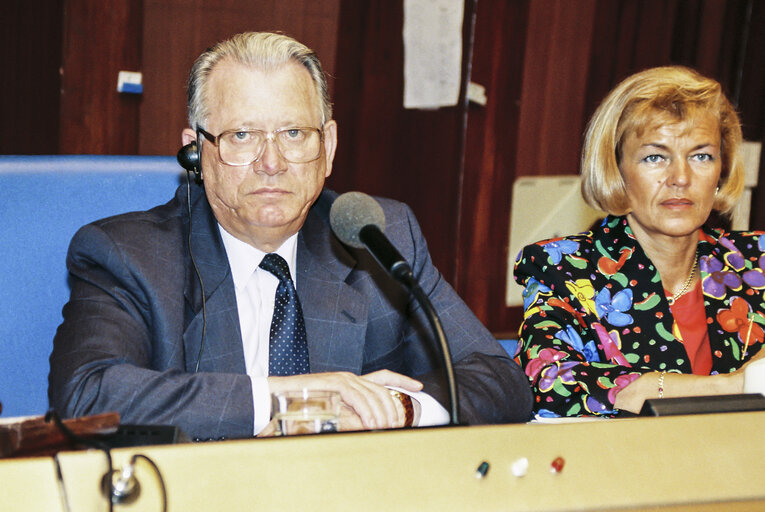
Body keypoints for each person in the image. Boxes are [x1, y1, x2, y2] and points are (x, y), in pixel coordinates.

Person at [49, 31, 532, 439]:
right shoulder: (130, 254)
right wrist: (301, 400)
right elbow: (86, 396)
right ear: (196, 153)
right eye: (242, 135)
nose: (272, 162)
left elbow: (500, 381)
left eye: (295, 134)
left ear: (329, 147)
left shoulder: (376, 238)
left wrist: (397, 408)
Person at [514, 66, 765, 417]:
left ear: (721, 171)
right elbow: (548, 385)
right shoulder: (563, 267)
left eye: (701, 156)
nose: (680, 178)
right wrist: (739, 385)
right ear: (616, 170)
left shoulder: (758, 260)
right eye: (655, 157)